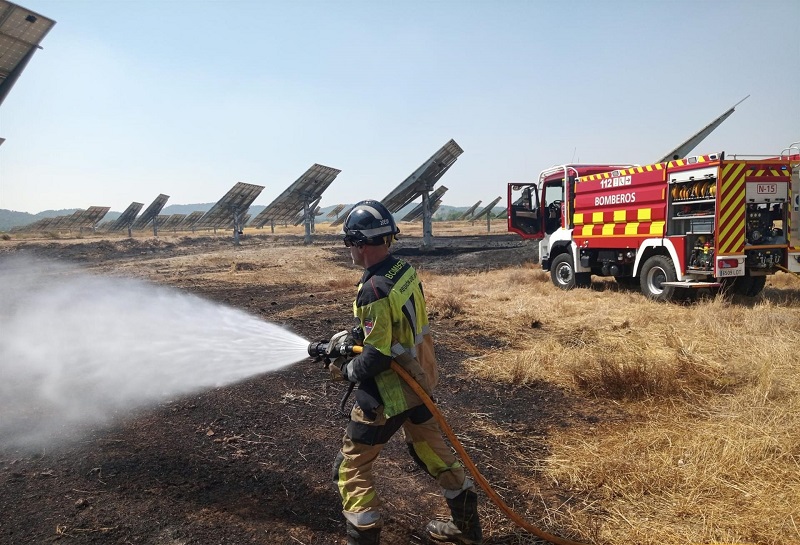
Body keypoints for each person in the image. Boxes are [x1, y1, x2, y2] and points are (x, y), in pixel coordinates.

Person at [327, 200, 482, 545]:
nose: (348, 249)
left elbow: (376, 358)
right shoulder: (403, 270)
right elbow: (394, 328)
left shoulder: (373, 290)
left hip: (390, 393)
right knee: (434, 454)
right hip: (420, 381)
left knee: (350, 469)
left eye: (348, 242)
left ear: (360, 244)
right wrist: (357, 335)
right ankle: (467, 531)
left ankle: (363, 536)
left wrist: (345, 369)